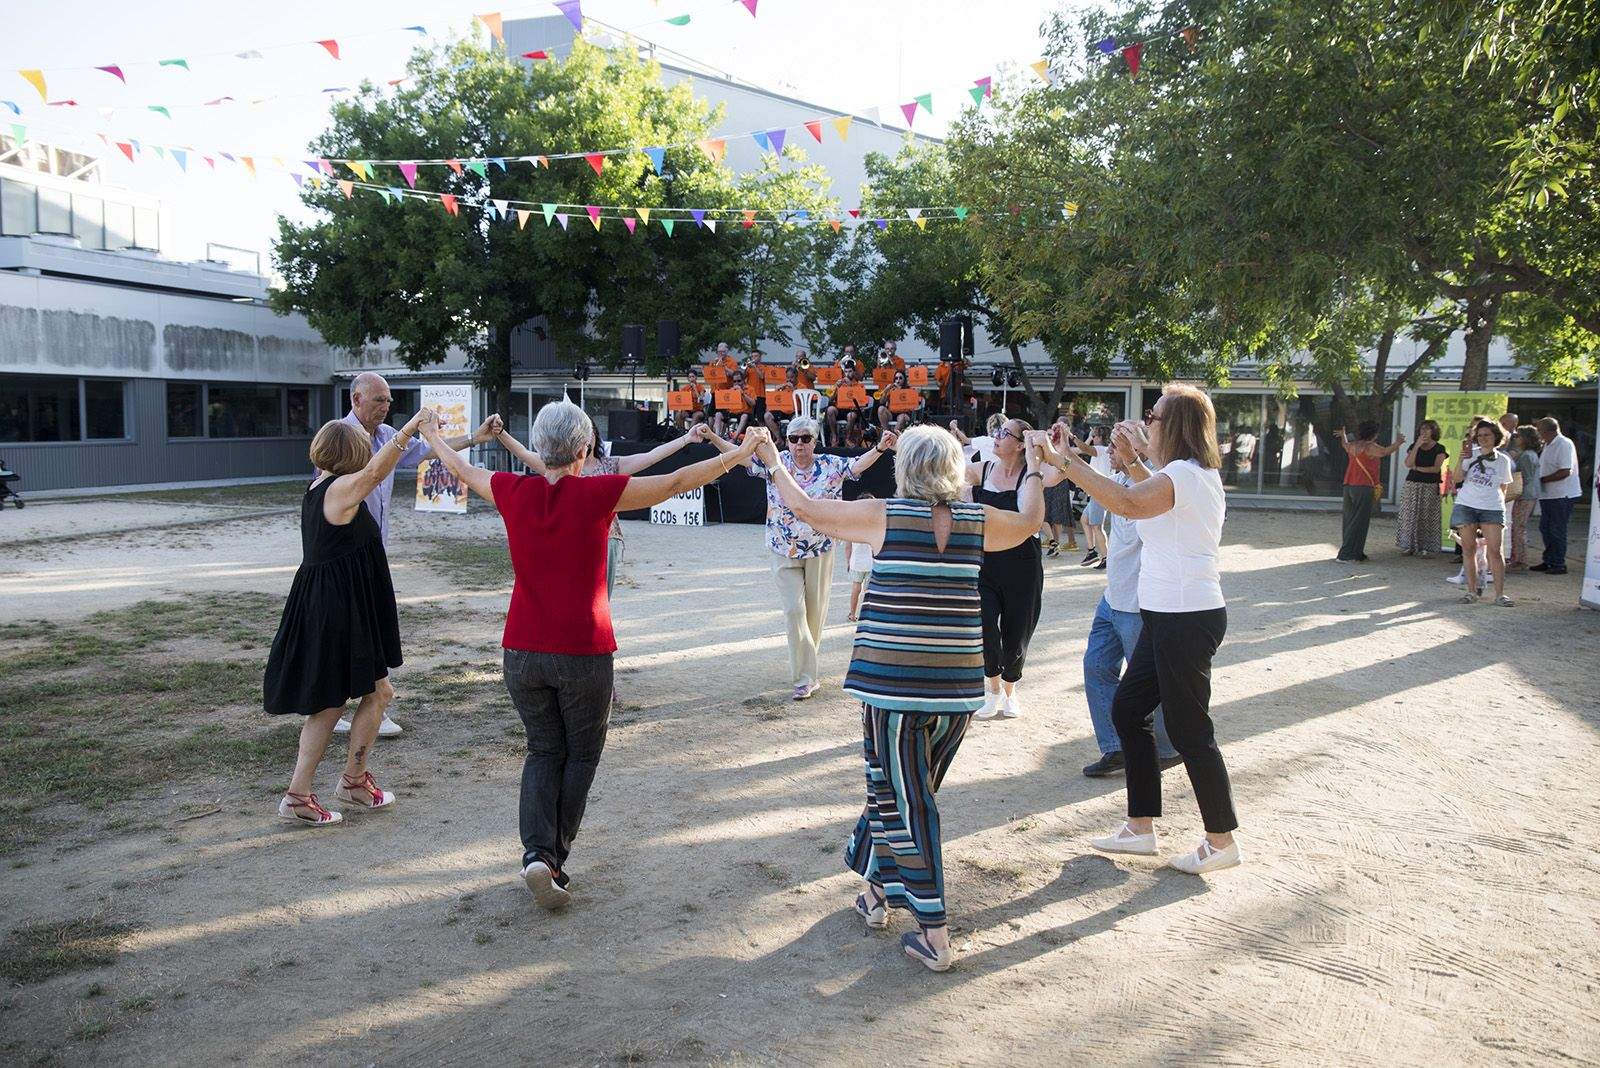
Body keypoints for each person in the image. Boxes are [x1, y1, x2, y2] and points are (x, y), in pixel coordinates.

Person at [419, 401, 768, 908]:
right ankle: (552, 859)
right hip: (583, 649)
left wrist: (431, 433)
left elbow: (459, 467)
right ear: (585, 451)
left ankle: (537, 853)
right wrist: (739, 454)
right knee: (580, 755)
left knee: (543, 750)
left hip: (521, 649)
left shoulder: (513, 490)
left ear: (540, 448)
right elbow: (675, 482)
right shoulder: (597, 493)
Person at [752, 423, 1047, 971]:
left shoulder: (884, 514)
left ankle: (933, 931)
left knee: (907, 800)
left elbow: (806, 509)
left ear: (905, 468)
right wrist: (1033, 462)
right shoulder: (977, 521)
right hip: (956, 693)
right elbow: (1031, 520)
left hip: (894, 689)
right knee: (901, 791)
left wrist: (771, 459)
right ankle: (875, 892)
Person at [1040, 385, 1243, 875]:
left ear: (1174, 426)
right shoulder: (1180, 475)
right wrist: (1130, 459)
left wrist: (1065, 462)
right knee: (1129, 711)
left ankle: (1221, 840)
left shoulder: (1186, 475)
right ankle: (1140, 827)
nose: (1145, 420)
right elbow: (1143, 495)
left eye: (1152, 415)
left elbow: (1130, 504)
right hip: (1167, 616)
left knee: (1192, 732)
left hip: (1185, 618)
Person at [264, 409, 435, 826]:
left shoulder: (324, 484)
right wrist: (411, 428)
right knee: (329, 703)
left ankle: (354, 782)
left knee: (378, 693)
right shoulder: (338, 490)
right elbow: (375, 474)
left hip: (346, 606)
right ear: (353, 453)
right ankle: (298, 796)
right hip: (335, 610)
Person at [334, 372, 499, 738]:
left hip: (372, 552)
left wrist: (476, 436)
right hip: (344, 556)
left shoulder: (384, 435)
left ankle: (344, 705)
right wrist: (414, 426)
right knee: (362, 631)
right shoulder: (341, 439)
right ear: (356, 399)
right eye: (379, 400)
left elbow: (426, 449)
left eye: (389, 401)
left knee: (358, 630)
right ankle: (372, 701)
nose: (386, 406)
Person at [708, 416, 895, 700]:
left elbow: (857, 466)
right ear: (786, 440)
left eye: (805, 438)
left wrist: (880, 448)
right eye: (793, 438)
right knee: (794, 611)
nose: (799, 444)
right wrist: (711, 435)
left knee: (814, 615)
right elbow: (739, 458)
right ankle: (805, 678)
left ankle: (808, 670)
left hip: (820, 548)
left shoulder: (830, 465)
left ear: (815, 441)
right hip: (782, 548)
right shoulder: (776, 461)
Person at [494, 421, 714, 598]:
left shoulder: (611, 465)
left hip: (607, 538)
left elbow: (652, 456)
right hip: (567, 535)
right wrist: (501, 432)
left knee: (597, 598)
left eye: (589, 432)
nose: (587, 439)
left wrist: (687, 438)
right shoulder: (557, 466)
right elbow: (523, 453)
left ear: (595, 437)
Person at [1081, 446, 1180, 778]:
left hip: (1138, 603)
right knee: (1096, 666)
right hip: (1112, 598)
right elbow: (1093, 483)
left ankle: (1167, 748)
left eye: (1116, 443)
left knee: (1151, 681)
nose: (1108, 450)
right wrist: (1062, 455)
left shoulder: (1153, 483)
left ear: (1136, 448)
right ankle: (1116, 747)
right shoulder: (1119, 476)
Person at [965, 418, 1071, 721]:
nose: (996, 437)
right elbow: (948, 475)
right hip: (984, 563)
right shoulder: (981, 469)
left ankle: (1010, 691)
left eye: (1004, 434)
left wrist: (1058, 443)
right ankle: (991, 690)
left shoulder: (1031, 475)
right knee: (983, 626)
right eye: (997, 432)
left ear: (1021, 443)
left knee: (1017, 634)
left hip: (1022, 565)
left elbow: (1061, 471)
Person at [1449, 420, 1514, 606]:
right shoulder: (1471, 455)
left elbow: (1504, 487)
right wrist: (1461, 458)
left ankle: (1500, 594)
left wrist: (1499, 505)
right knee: (1468, 549)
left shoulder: (1503, 460)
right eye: (1480, 435)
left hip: (1491, 507)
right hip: (1466, 505)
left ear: (1496, 437)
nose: (1483, 438)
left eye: (1487, 435)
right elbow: (1457, 479)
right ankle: (1471, 591)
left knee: (1495, 550)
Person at [1333, 421, 1406, 562]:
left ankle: (1355, 552)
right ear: (1374, 434)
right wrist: (1399, 442)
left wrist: (1343, 436)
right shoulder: (1370, 447)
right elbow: (1384, 452)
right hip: (1363, 486)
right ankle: (1347, 555)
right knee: (1359, 521)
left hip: (1349, 485)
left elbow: (1345, 445)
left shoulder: (1354, 445)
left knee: (1349, 520)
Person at [1534, 416, 1582, 576]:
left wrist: (1542, 480)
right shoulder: (1548, 444)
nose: (1538, 434)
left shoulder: (1563, 444)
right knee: (1546, 528)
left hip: (1563, 494)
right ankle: (1549, 560)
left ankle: (1558, 563)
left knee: (1557, 529)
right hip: (1549, 495)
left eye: (1539, 430)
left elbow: (1565, 471)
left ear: (1549, 430)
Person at [1397, 419, 1448, 556]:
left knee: (1427, 516)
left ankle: (1427, 547)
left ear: (1434, 431)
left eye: (1427, 429)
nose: (1424, 431)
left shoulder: (1440, 448)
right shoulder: (1415, 445)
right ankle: (1409, 545)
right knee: (1409, 516)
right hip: (1412, 484)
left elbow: (1435, 469)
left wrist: (1418, 468)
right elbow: (1408, 463)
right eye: (1422, 428)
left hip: (1429, 485)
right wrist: (1417, 446)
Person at [1074, 426, 1114, 566]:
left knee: (1097, 526)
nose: (1093, 438)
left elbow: (1084, 448)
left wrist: (1071, 436)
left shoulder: (1102, 450)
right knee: (1085, 519)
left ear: (1101, 437)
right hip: (1097, 491)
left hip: (1100, 491)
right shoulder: (1103, 451)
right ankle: (1092, 552)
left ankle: (1106, 557)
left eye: (1095, 436)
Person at [1506, 426, 1542, 571]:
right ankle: (1518, 558)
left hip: (1525, 495)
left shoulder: (1527, 455)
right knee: (1517, 526)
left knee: (1518, 527)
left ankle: (1520, 560)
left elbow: (1525, 478)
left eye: (1518, 436)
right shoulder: (1528, 454)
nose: (1515, 439)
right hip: (1526, 494)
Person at [845, 494, 876, 622]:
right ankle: (867, 615)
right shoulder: (874, 524)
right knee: (868, 590)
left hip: (856, 562)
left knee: (855, 588)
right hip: (871, 562)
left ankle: (852, 614)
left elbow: (848, 547)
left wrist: (848, 562)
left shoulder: (852, 525)